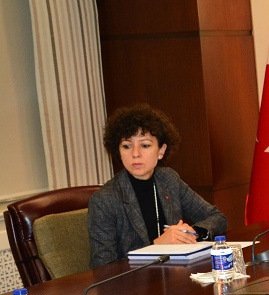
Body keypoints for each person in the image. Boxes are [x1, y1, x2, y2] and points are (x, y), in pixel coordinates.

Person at [88, 104, 228, 268]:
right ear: (118, 151)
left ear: (161, 151)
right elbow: (103, 268)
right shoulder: (104, 199)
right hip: (136, 283)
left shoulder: (168, 179)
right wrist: (156, 247)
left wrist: (191, 233)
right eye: (127, 146)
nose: (135, 154)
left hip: (176, 272)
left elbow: (217, 218)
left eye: (145, 145)